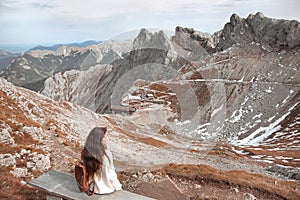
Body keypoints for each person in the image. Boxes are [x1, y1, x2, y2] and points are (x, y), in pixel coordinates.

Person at [81, 127, 122, 194]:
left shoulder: (86, 153)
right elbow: (111, 175)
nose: (106, 139)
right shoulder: (106, 155)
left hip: (92, 188)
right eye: (105, 137)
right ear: (99, 140)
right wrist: (118, 187)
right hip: (106, 190)